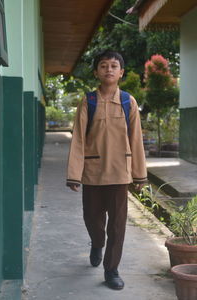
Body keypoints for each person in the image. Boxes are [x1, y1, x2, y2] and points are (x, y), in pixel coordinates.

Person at [66, 50, 147, 290]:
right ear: (96, 72)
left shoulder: (127, 101)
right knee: (91, 218)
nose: (109, 69)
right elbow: (78, 139)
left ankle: (111, 269)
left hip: (120, 173)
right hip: (92, 172)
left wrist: (139, 174)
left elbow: (136, 139)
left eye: (114, 66)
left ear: (121, 72)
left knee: (118, 224)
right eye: (103, 65)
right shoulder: (88, 101)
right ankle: (96, 242)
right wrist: (74, 173)